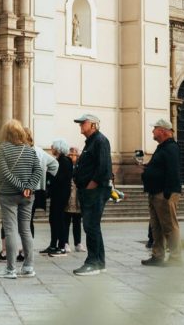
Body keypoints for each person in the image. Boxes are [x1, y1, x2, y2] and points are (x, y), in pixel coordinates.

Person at [0, 120, 41, 280]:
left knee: (10, 231)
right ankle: (28, 267)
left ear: (5, 133)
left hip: (9, 195)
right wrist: (28, 187)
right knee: (25, 230)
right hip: (27, 196)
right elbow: (38, 170)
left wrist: (21, 187)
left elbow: (4, 173)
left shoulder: (2, 149)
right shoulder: (29, 150)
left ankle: (10, 269)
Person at [72, 113, 112, 277]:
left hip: (95, 191)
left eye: (83, 123)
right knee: (92, 226)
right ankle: (99, 262)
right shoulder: (91, 141)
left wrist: (90, 186)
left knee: (91, 226)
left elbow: (103, 167)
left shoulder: (100, 141)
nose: (80, 125)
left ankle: (93, 262)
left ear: (93, 125)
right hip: (90, 190)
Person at [140, 118, 183, 266]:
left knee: (169, 226)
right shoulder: (162, 147)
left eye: (155, 128)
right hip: (155, 192)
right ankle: (157, 256)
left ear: (163, 131)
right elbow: (160, 167)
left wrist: (167, 193)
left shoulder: (171, 147)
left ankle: (176, 258)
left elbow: (173, 171)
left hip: (164, 193)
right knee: (156, 226)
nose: (152, 131)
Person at [27, 128, 58, 253]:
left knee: (24, 221)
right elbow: (54, 165)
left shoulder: (23, 151)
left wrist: (47, 178)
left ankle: (25, 250)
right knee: (28, 220)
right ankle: (26, 250)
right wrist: (44, 179)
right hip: (37, 190)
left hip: (26, 190)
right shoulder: (39, 151)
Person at [46, 140, 73, 255]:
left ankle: (61, 246)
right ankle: (53, 245)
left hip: (61, 194)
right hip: (57, 194)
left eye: (53, 146)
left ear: (58, 148)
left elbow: (60, 178)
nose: (51, 148)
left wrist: (48, 174)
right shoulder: (59, 160)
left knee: (59, 219)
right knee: (53, 219)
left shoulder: (64, 161)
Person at [66, 145, 83, 252]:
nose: (73, 156)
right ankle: (65, 242)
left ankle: (78, 243)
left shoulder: (80, 166)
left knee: (77, 221)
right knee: (66, 221)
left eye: (75, 154)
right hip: (68, 197)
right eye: (71, 154)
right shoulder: (66, 165)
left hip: (78, 198)